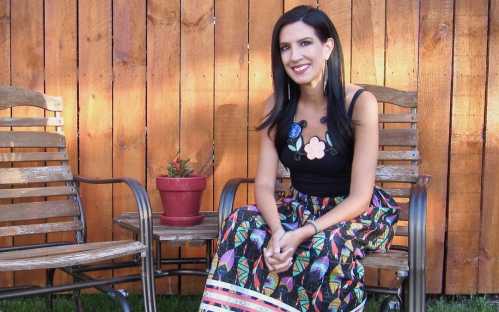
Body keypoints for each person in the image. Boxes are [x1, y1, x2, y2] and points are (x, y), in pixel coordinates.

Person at [200, 5, 399, 312]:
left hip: (354, 213)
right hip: (301, 205)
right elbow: (264, 185)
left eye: (305, 43)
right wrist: (279, 232)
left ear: (328, 46)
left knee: (323, 244)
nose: (294, 56)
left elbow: (361, 197)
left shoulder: (359, 104)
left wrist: (302, 233)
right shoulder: (277, 107)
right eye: (285, 47)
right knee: (240, 222)